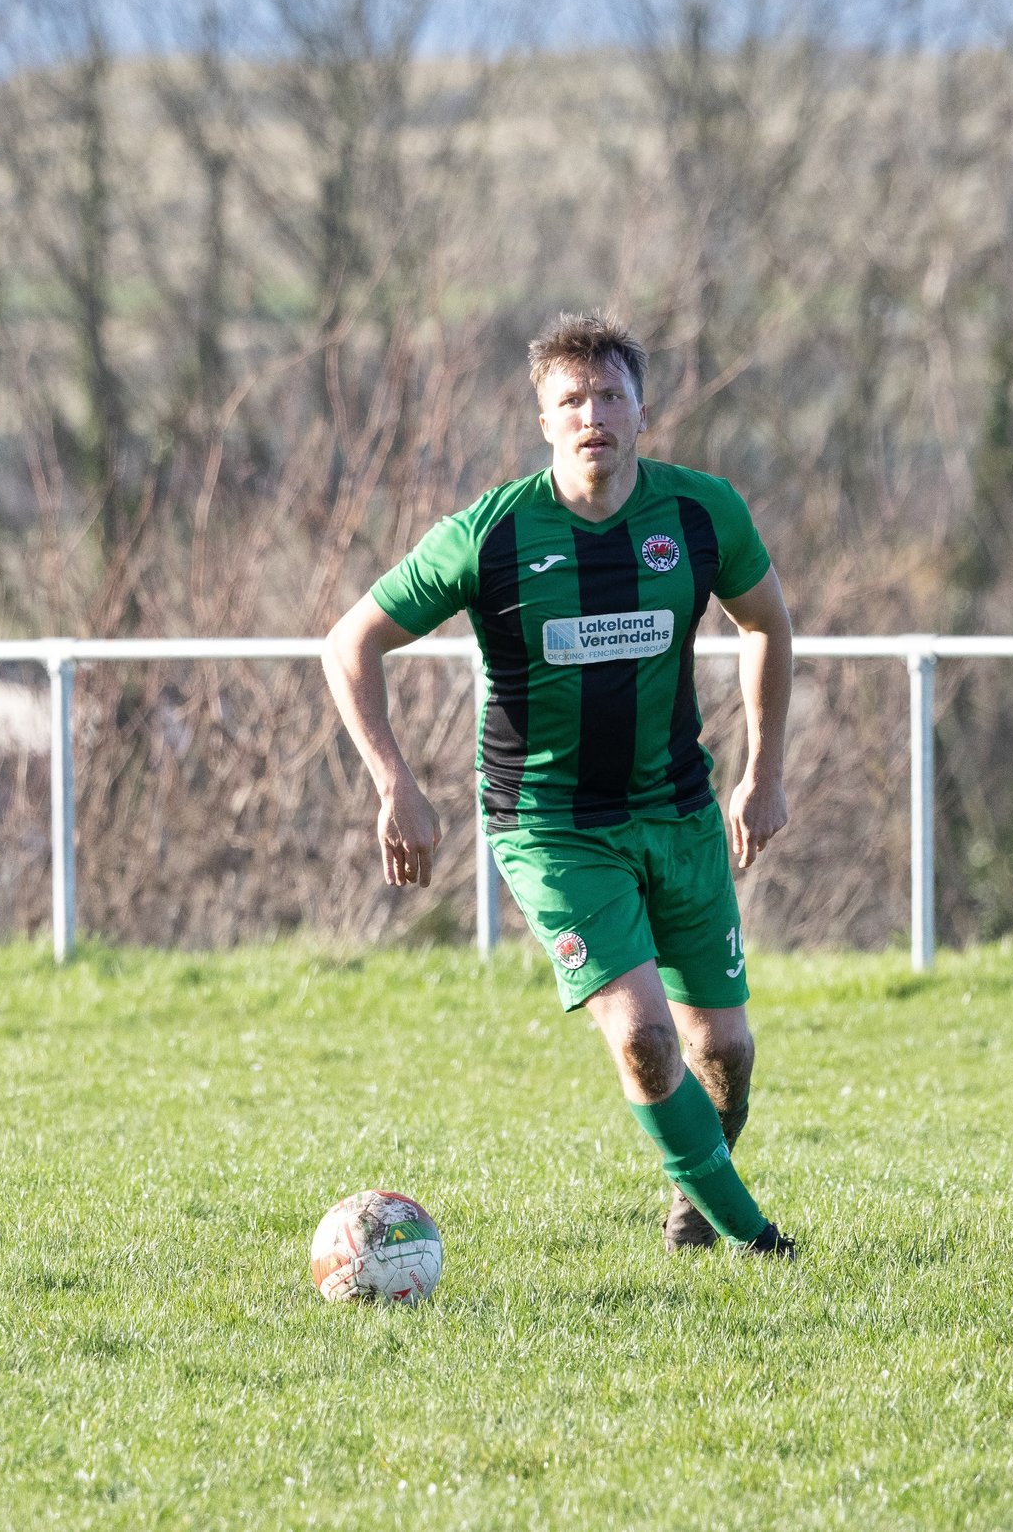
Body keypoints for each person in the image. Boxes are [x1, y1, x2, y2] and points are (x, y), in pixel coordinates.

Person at [322, 312, 797, 1258]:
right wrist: (395, 786)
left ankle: (696, 1210)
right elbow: (350, 643)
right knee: (644, 1038)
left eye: (610, 395)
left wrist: (763, 774)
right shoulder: (490, 536)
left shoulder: (702, 514)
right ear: (543, 421)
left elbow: (768, 628)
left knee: (724, 1053)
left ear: (642, 412)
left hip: (680, 810)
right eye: (570, 400)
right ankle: (758, 1240)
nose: (593, 415)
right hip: (551, 825)